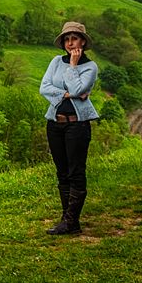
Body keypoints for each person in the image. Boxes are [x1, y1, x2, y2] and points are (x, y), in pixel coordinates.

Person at [39, 21, 99, 235]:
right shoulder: (55, 61)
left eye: (74, 38)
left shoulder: (90, 67)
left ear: (82, 41)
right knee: (62, 172)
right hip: (55, 123)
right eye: (66, 39)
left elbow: (78, 88)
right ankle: (68, 221)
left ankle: (71, 221)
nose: (70, 42)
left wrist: (73, 66)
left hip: (77, 126)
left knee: (76, 172)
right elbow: (44, 87)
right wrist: (66, 94)